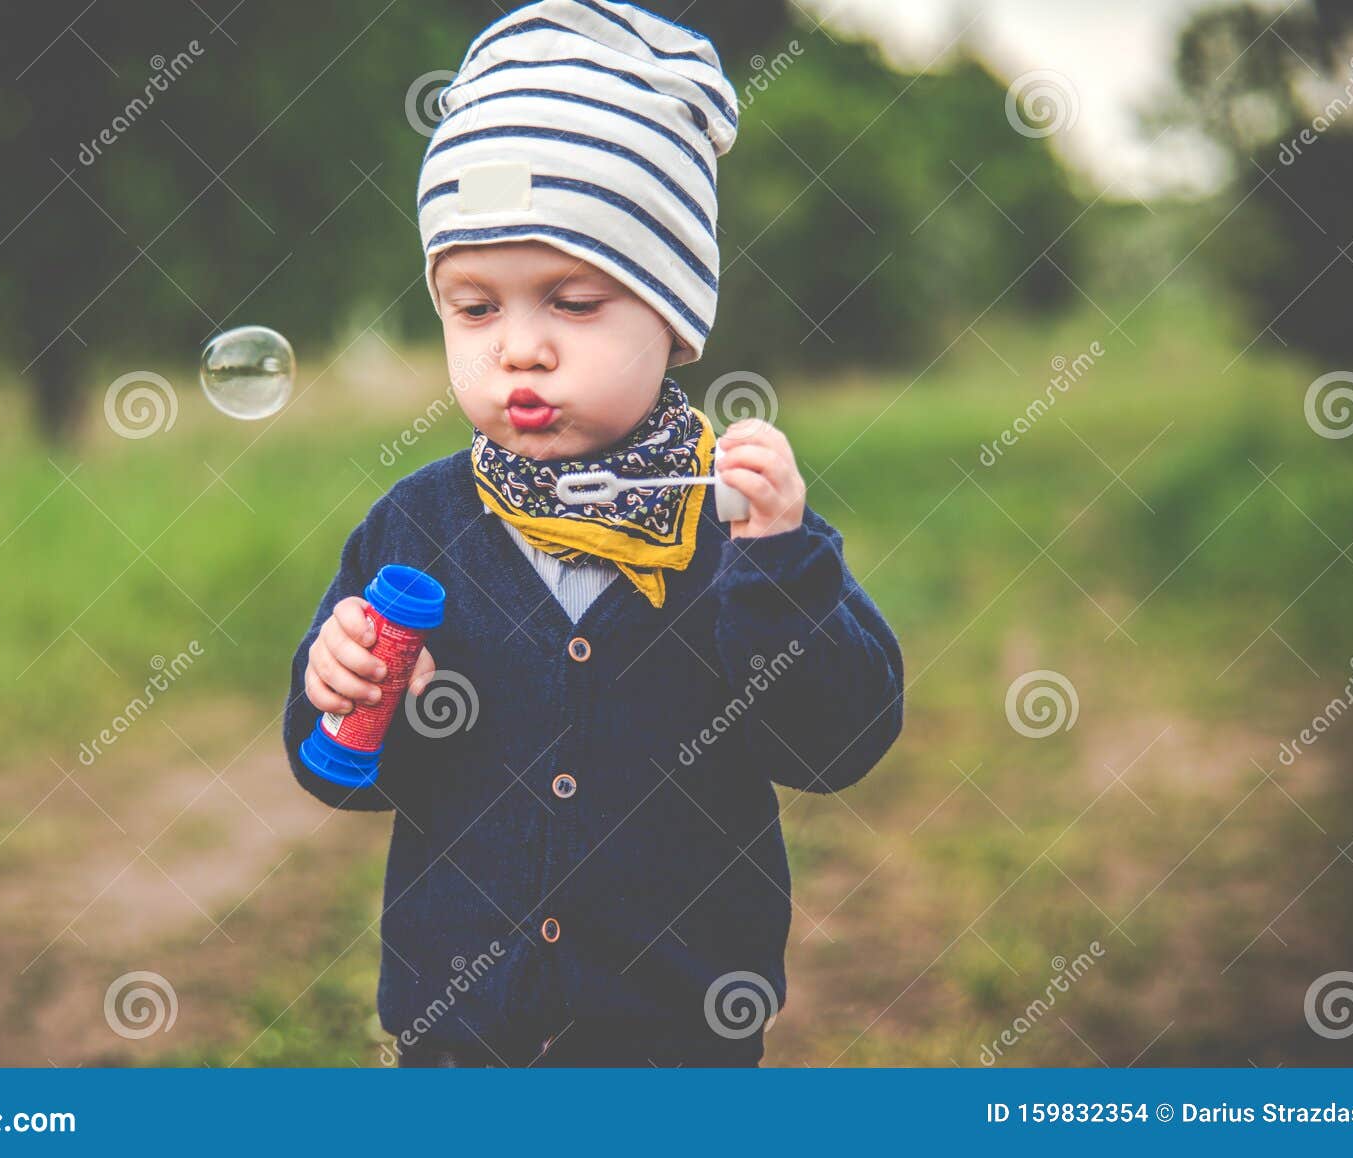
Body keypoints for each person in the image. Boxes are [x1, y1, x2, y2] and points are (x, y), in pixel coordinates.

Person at [283, 0, 904, 1067]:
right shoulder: (420, 523)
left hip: (677, 1037)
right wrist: (336, 685)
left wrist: (780, 568)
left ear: (670, 311)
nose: (519, 348)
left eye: (570, 301)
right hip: (457, 1036)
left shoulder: (735, 523)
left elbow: (837, 744)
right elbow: (341, 770)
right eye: (474, 309)